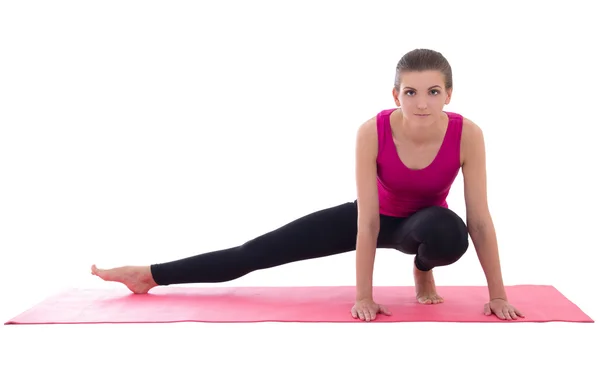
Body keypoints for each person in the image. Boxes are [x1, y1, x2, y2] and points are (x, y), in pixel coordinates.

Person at [91, 48, 524, 322]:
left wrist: (498, 296)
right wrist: (363, 297)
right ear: (395, 96)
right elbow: (368, 222)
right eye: (410, 93)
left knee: (451, 232)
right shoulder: (371, 132)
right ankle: (149, 275)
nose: (422, 103)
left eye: (432, 91)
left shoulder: (468, 133)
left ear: (449, 94)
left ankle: (423, 271)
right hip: (374, 216)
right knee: (254, 253)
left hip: (427, 226)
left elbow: (480, 220)